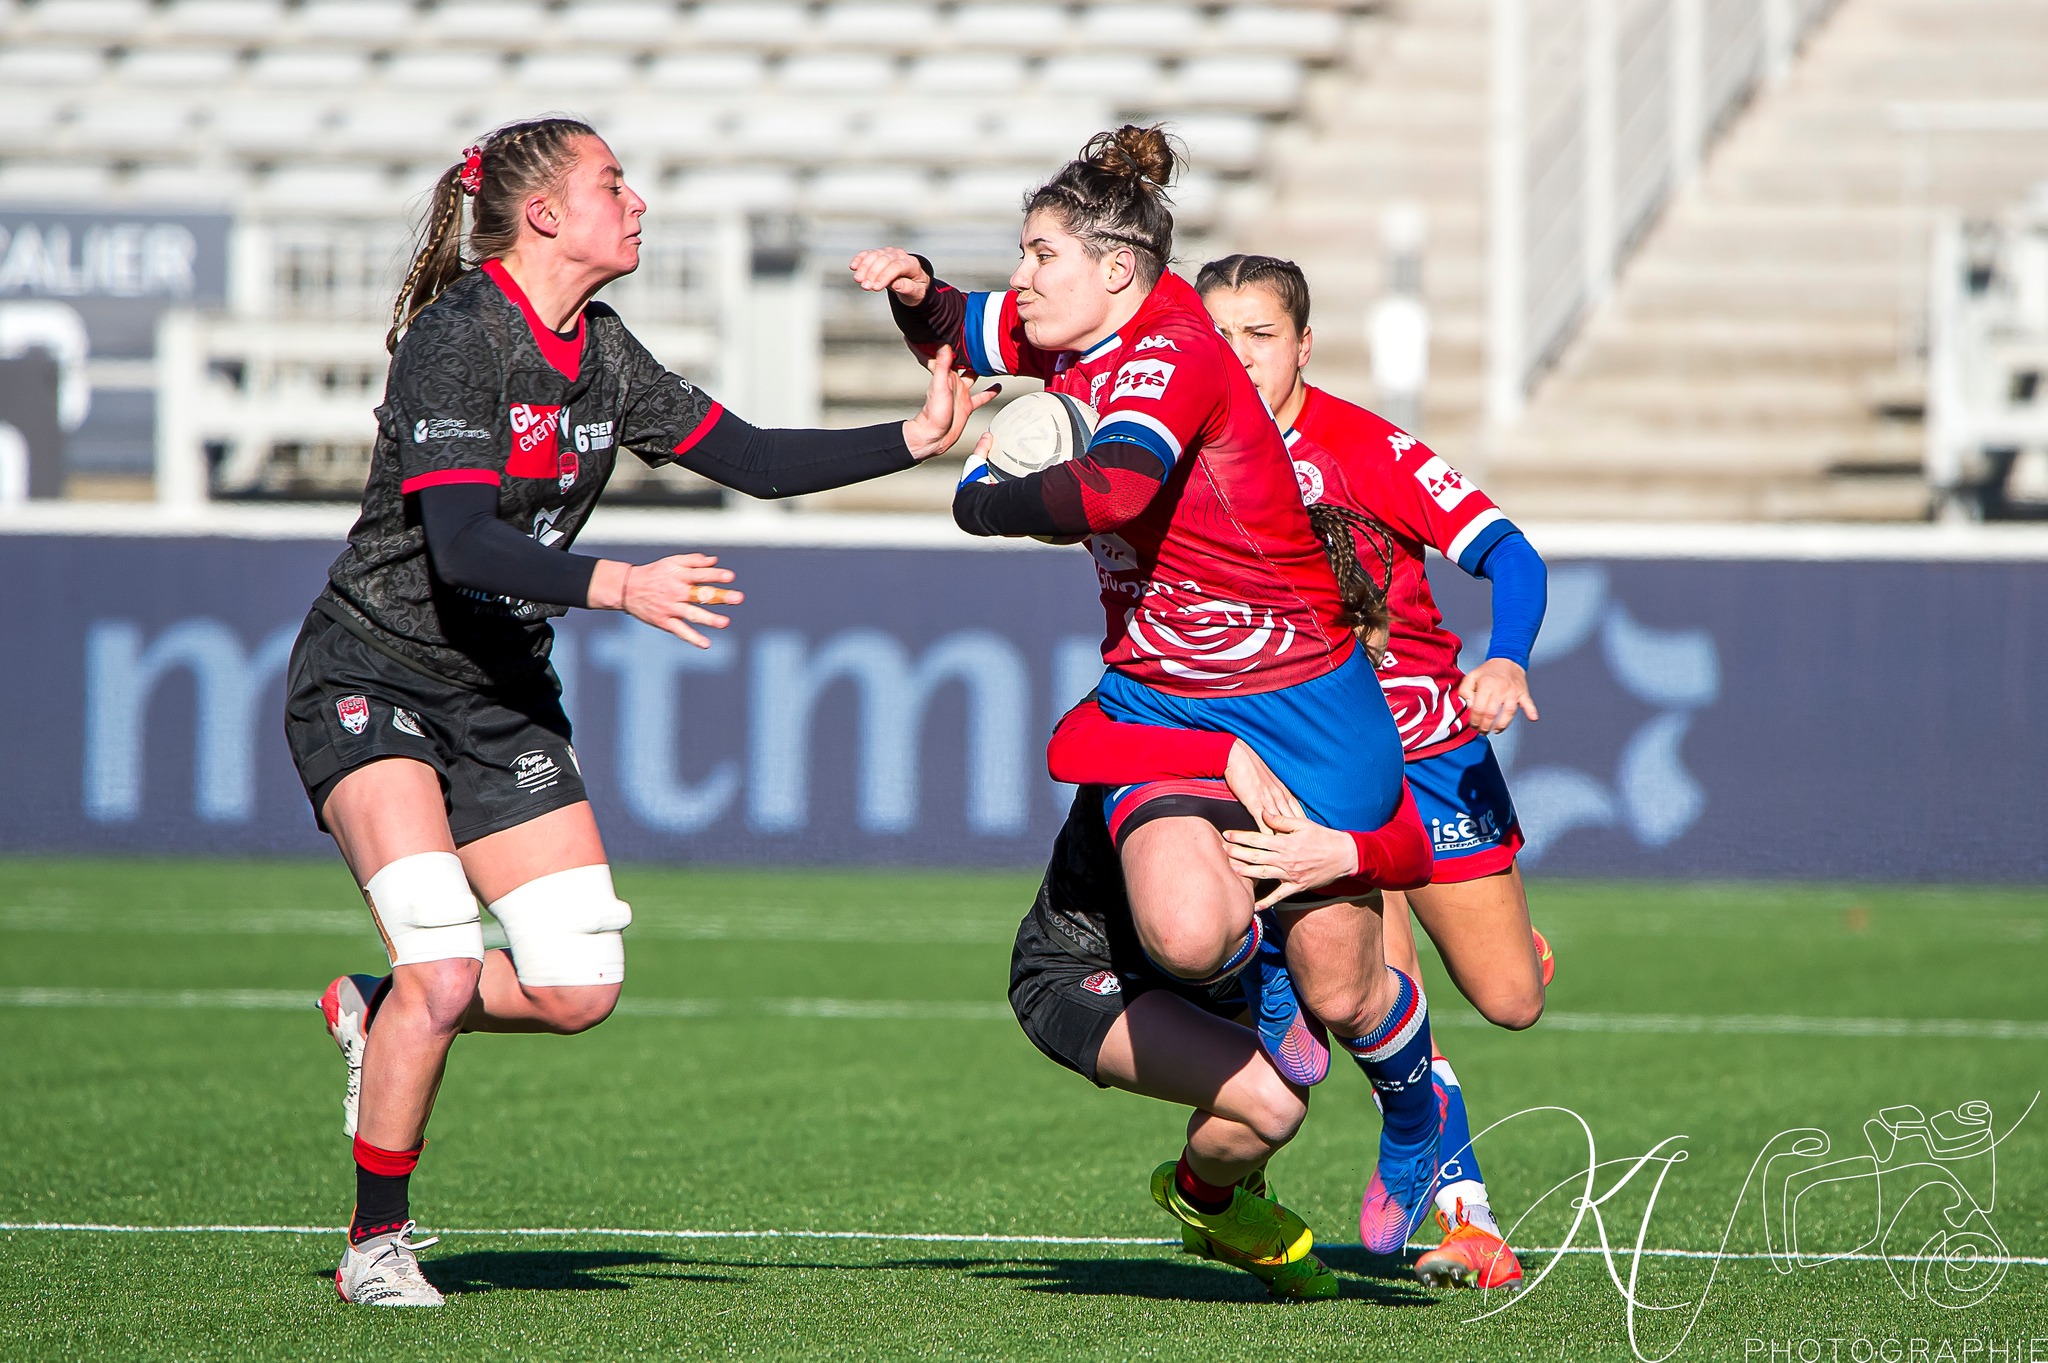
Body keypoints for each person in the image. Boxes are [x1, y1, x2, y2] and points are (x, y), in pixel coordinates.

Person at [289, 117, 989, 1308]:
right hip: (376, 675)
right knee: (449, 968)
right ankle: (376, 1246)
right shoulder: (461, 338)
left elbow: (755, 460)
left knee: (576, 984)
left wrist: (913, 438)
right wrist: (620, 583)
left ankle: (375, 1006)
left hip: (500, 699)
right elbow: (460, 546)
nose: (639, 202)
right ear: (546, 215)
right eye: (613, 182)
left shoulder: (601, 350)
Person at [852, 126, 1447, 1256]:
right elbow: (959, 326)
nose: (1017, 283)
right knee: (1181, 928)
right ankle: (1246, 989)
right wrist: (919, 293)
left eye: (1037, 257)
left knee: (1346, 989)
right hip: (1164, 698)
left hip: (1301, 686)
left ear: (1114, 272)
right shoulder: (1075, 326)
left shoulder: (1169, 348)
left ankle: (1414, 1112)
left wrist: (979, 498)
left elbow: (1116, 483)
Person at [1197, 252, 1551, 1291]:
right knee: (1373, 997)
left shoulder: (1363, 447)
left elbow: (1510, 554)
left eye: (1258, 336)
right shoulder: (1191, 452)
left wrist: (1505, 655)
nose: (1237, 358)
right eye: (1216, 338)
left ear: (1302, 345)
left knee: (1509, 997)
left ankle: (1510, 938)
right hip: (1323, 767)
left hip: (1435, 750)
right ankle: (1466, 1216)